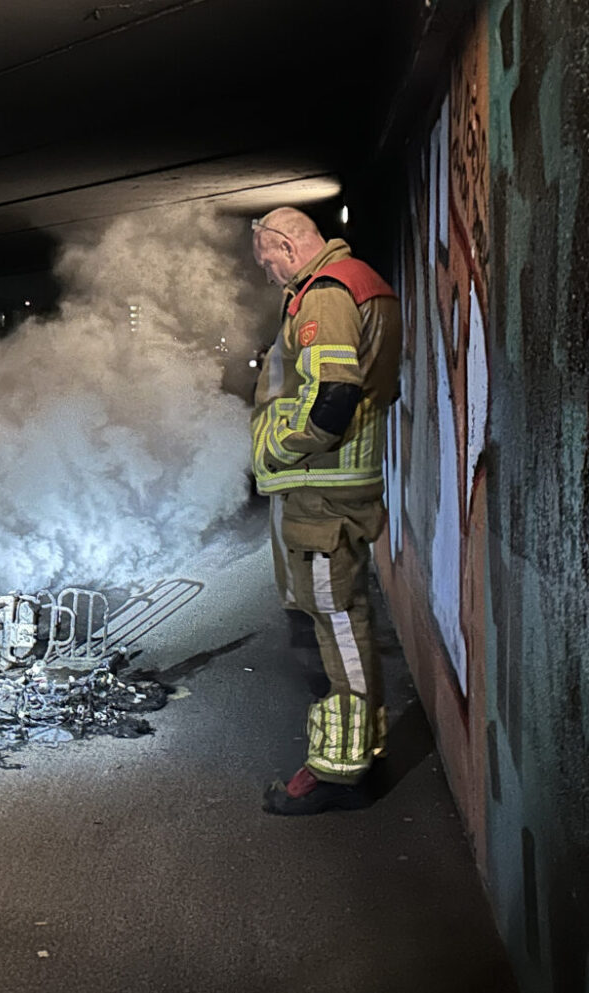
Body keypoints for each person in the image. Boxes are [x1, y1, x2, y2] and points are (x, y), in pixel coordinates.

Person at [249, 207, 402, 815]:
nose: (267, 272)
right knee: (338, 622)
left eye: (267, 259)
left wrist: (280, 448)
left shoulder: (326, 294)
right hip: (330, 491)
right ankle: (361, 749)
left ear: (289, 245)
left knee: (336, 627)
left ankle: (340, 774)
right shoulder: (360, 282)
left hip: (321, 493)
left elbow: (331, 396)